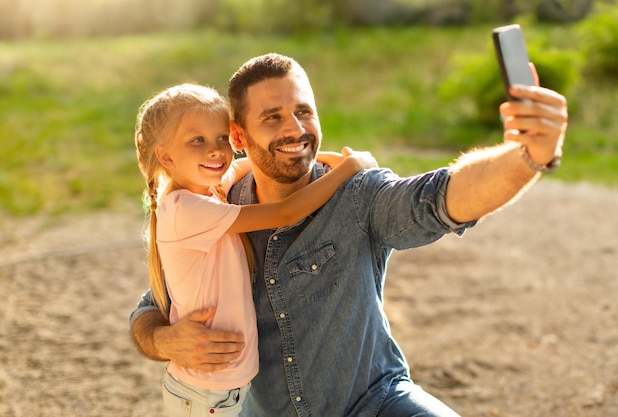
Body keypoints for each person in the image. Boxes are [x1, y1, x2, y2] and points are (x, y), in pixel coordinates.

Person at [130, 53, 568, 417]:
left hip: (374, 404)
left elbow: (440, 198)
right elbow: (153, 308)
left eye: (303, 111)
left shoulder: (358, 195)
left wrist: (528, 155)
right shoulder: (218, 203)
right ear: (240, 137)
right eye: (273, 117)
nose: (295, 129)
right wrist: (165, 339)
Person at [134, 82, 378, 416]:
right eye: (197, 140)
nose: (216, 150)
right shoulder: (185, 210)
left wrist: (318, 157)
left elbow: (249, 162)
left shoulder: (211, 188)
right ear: (165, 156)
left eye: (221, 137)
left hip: (222, 389)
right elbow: (287, 212)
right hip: (205, 394)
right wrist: (351, 167)